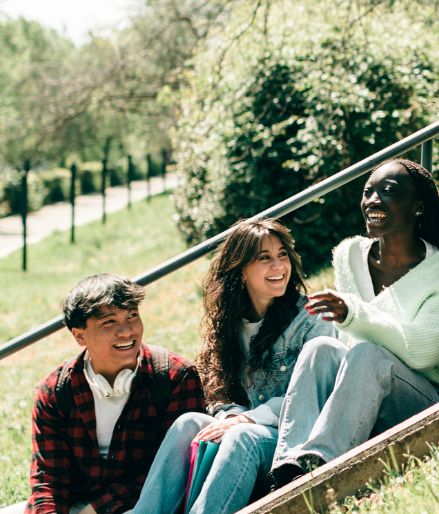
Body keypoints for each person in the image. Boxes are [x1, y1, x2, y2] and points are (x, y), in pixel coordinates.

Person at [266, 159, 439, 488]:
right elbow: (349, 345)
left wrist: (354, 314)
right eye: (368, 192)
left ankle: (323, 467)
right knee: (319, 347)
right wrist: (351, 321)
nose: (373, 200)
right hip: (363, 395)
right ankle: (288, 468)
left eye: (388, 191)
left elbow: (422, 353)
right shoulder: (349, 255)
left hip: (427, 397)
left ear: (418, 207)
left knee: (368, 354)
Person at [132, 219, 333, 514]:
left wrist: (247, 420)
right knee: (190, 423)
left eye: (282, 255)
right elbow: (220, 393)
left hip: (292, 441)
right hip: (246, 430)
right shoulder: (229, 324)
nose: (278, 266)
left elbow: (317, 393)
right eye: (264, 258)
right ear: (240, 270)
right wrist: (232, 415)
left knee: (241, 435)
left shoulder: (313, 318)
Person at [27, 274, 205, 514]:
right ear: (80, 336)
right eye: (108, 322)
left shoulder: (176, 377)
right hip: (77, 507)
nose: (126, 331)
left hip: (149, 505)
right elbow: (49, 480)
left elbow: (173, 470)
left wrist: (96, 510)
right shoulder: (54, 393)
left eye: (132, 316)